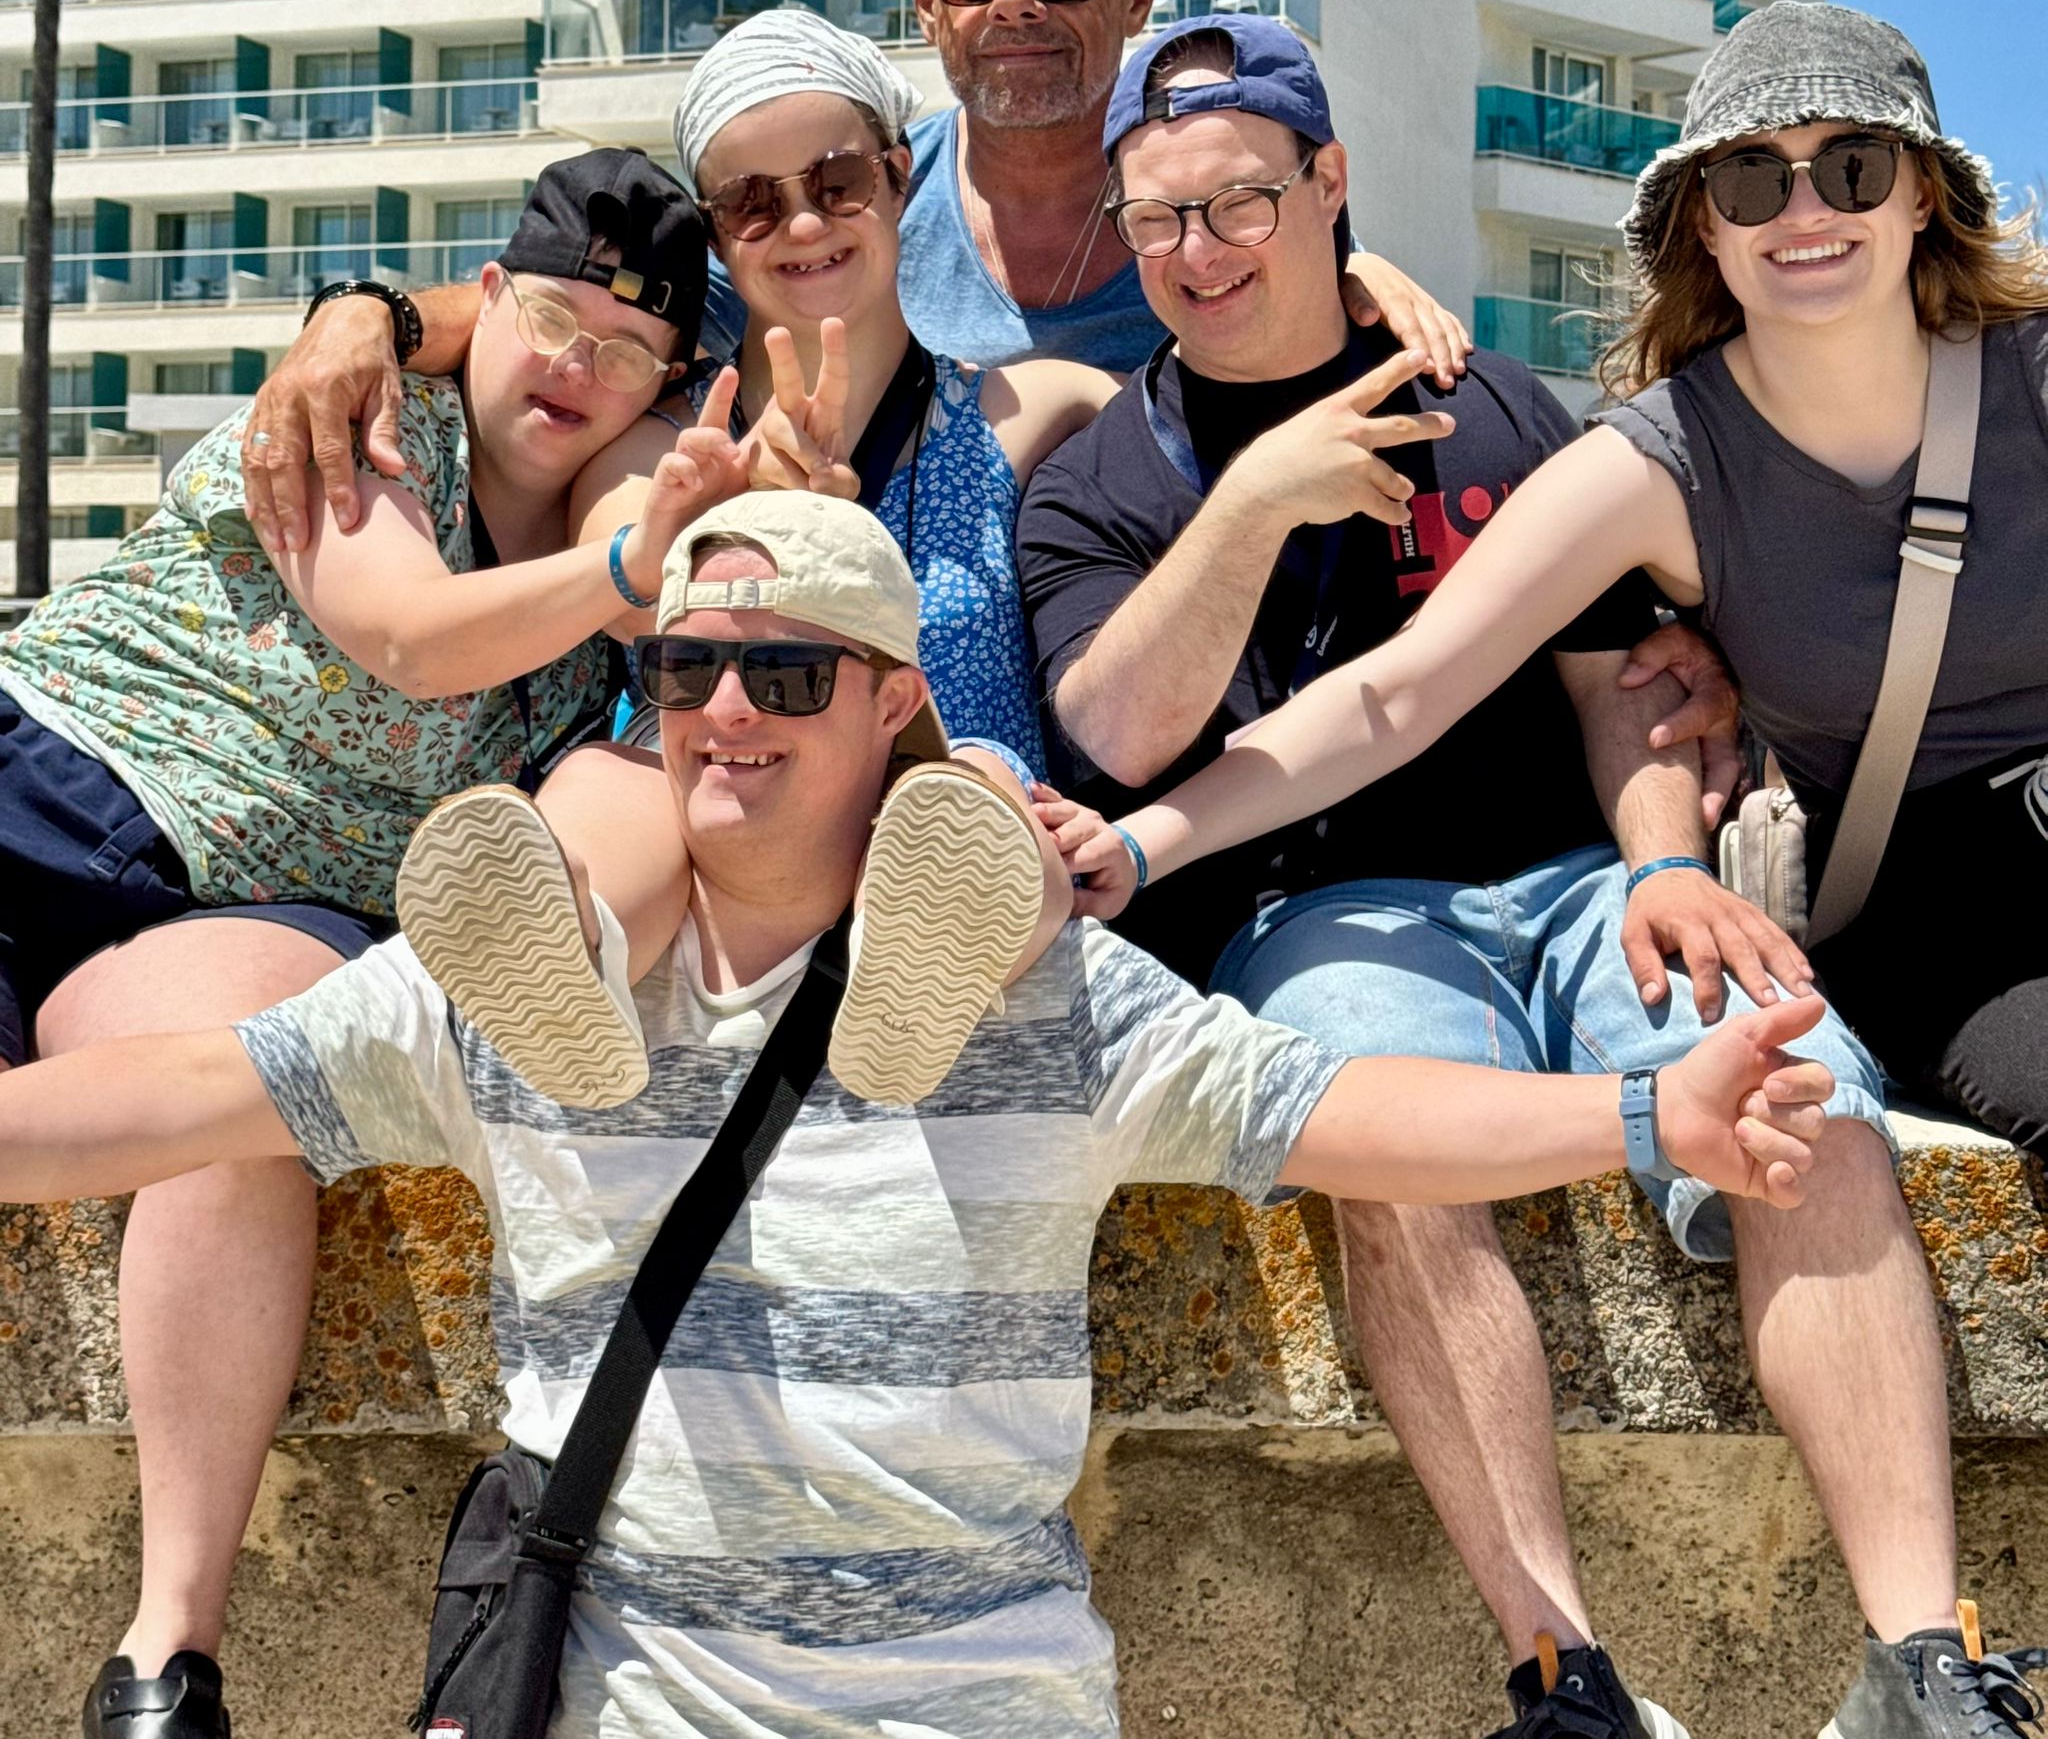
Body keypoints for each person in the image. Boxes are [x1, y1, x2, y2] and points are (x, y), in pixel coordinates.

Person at [0, 488, 1842, 1739]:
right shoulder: (493, 988)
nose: (722, 711)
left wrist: (1635, 1113)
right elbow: (166, 1097)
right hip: (633, 1695)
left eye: (784, 673)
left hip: (984, 1698)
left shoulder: (1037, 984)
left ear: (891, 707)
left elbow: (1334, 1110)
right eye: (682, 670)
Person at [1071, 2, 2048, 1738]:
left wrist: (1660, 854)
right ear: (1703, 218)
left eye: (1846, 163)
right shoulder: (1119, 471)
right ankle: (1563, 1677)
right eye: (1753, 172)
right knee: (1383, 1127)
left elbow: (1636, 700)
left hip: (1590, 882)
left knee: (1797, 1093)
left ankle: (1923, 1669)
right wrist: (1139, 834)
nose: (1800, 201)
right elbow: (1375, 693)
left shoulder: (1501, 411)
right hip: (1333, 906)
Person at [0, 148, 747, 1737]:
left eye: (625, 354)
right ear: (479, 306)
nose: (573, 366)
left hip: (220, 911)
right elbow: (406, 635)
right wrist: (381, 327)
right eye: (548, 318)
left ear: (667, 391)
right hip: (48, 774)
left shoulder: (589, 635)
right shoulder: (370, 427)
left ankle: (163, 1661)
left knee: (256, 1089)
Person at [230, 0, 1471, 559]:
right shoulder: (841, 211)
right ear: (928, 5)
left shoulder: (1223, 206)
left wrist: (1349, 261)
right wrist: (369, 318)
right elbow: (587, 317)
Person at [408, 7, 1122, 1113]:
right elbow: (627, 605)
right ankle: (566, 954)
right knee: (614, 782)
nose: (800, 223)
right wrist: (754, 507)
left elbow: (1210, 397)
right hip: (714, 777)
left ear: (897, 178)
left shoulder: (1035, 404)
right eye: (750, 201)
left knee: (974, 797)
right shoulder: (661, 434)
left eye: (837, 182)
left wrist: (1361, 285)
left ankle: (916, 976)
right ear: (713, 232)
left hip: (937, 774)